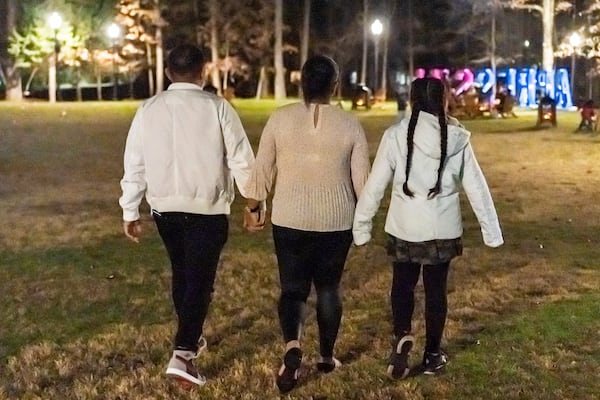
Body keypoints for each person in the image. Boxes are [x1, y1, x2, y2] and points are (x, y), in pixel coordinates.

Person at [118, 44, 264, 388]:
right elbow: (242, 159)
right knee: (198, 282)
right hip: (207, 210)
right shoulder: (218, 107)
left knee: (184, 275)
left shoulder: (148, 109)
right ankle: (183, 353)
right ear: (203, 71)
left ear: (169, 73)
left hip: (165, 210)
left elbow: (134, 163)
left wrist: (130, 209)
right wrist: (254, 203)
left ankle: (191, 336)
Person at [353, 77, 503, 379]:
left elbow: (375, 185)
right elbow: (476, 186)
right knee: (436, 291)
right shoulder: (457, 138)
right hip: (442, 229)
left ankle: (402, 335)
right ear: (443, 100)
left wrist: (362, 227)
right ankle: (433, 355)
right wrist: (491, 232)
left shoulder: (396, 135)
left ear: (412, 100)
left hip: (404, 226)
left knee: (402, 284)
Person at [244, 55, 370, 394]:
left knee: (293, 289)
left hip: (290, 218)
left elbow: (262, 169)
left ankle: (292, 347)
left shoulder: (280, 119)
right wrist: (365, 220)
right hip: (336, 220)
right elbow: (363, 185)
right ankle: (327, 357)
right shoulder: (350, 125)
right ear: (335, 85)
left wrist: (254, 206)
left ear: (301, 84)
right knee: (329, 288)